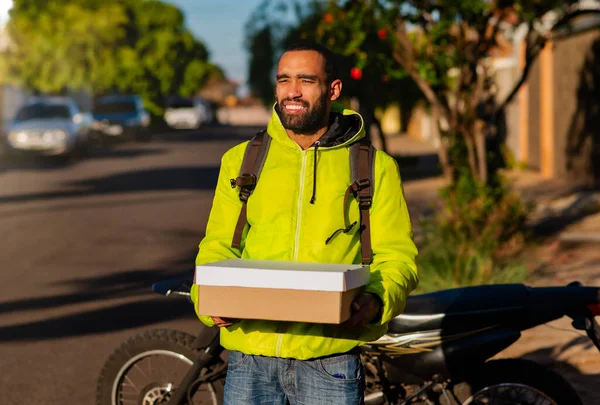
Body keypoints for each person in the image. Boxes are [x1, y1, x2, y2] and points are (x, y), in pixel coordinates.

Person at [190, 41, 418, 405]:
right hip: (251, 359)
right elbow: (218, 245)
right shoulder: (242, 161)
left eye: (306, 80)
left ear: (333, 89)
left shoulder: (375, 168)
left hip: (330, 361)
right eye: (284, 80)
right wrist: (207, 299)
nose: (292, 91)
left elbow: (398, 257)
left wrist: (375, 299)